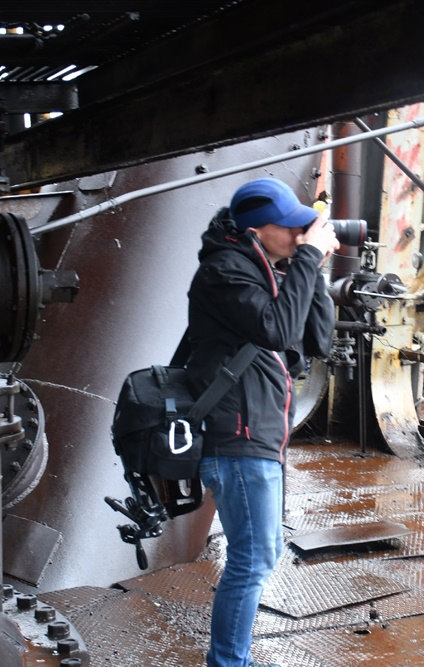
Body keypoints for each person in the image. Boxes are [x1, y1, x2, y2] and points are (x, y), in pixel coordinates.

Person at [185, 177, 339, 667]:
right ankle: (229, 662)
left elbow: (316, 339)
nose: (298, 235)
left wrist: (312, 268)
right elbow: (275, 328)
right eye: (289, 227)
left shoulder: (267, 272)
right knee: (251, 561)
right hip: (238, 437)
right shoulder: (224, 271)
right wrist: (307, 258)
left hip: (261, 436)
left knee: (261, 554)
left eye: (302, 229)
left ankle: (233, 658)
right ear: (255, 230)